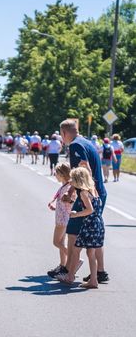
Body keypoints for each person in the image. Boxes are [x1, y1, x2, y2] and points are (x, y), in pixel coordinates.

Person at [57, 119, 108, 285]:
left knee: (73, 233)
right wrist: (72, 191)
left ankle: (69, 272)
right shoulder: (87, 142)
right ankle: (100, 273)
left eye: (61, 135)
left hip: (88, 195)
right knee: (94, 235)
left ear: (64, 133)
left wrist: (76, 193)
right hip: (98, 193)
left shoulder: (75, 146)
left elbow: (84, 170)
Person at [65, 167, 105, 289]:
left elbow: (89, 210)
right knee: (90, 253)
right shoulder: (93, 189)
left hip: (89, 225)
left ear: (78, 179)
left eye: (73, 179)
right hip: (98, 223)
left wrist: (75, 214)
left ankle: (70, 276)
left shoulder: (83, 193)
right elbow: (96, 207)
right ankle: (93, 280)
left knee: (76, 250)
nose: (71, 181)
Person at [46, 163, 72, 278]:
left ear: (62, 174)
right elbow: (64, 204)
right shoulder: (65, 186)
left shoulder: (68, 188)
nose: (55, 175)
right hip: (62, 217)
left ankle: (74, 260)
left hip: (62, 219)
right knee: (61, 243)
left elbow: (70, 203)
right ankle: (63, 265)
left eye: (56, 173)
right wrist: (56, 207)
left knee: (56, 242)